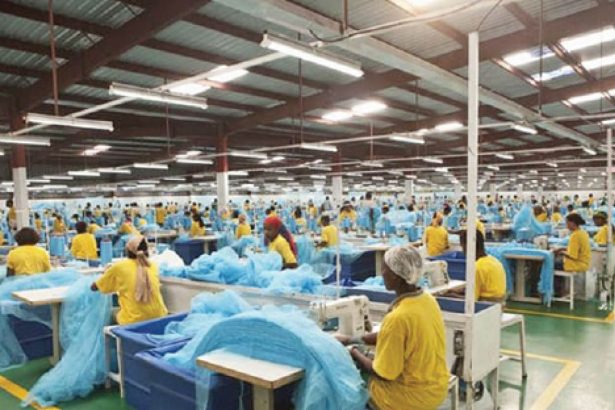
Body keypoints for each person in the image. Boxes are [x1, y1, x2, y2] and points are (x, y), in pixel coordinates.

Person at [336, 246, 449, 410]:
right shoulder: (427, 300)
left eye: (384, 269)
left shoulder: (397, 318)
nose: (382, 273)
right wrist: (352, 339)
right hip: (436, 388)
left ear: (396, 275)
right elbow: (394, 335)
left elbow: (384, 374)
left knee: (345, 390)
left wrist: (353, 351)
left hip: (408, 399)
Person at [91, 236, 168, 325]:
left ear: (128, 251)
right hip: (159, 316)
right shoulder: (152, 266)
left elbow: (95, 287)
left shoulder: (119, 267)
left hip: (133, 320)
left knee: (110, 314)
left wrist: (107, 273)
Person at [459, 230, 506, 303]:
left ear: (467, 246)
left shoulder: (477, 267)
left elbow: (471, 300)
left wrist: (450, 295)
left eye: (462, 246)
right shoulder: (494, 260)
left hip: (486, 304)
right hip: (500, 304)